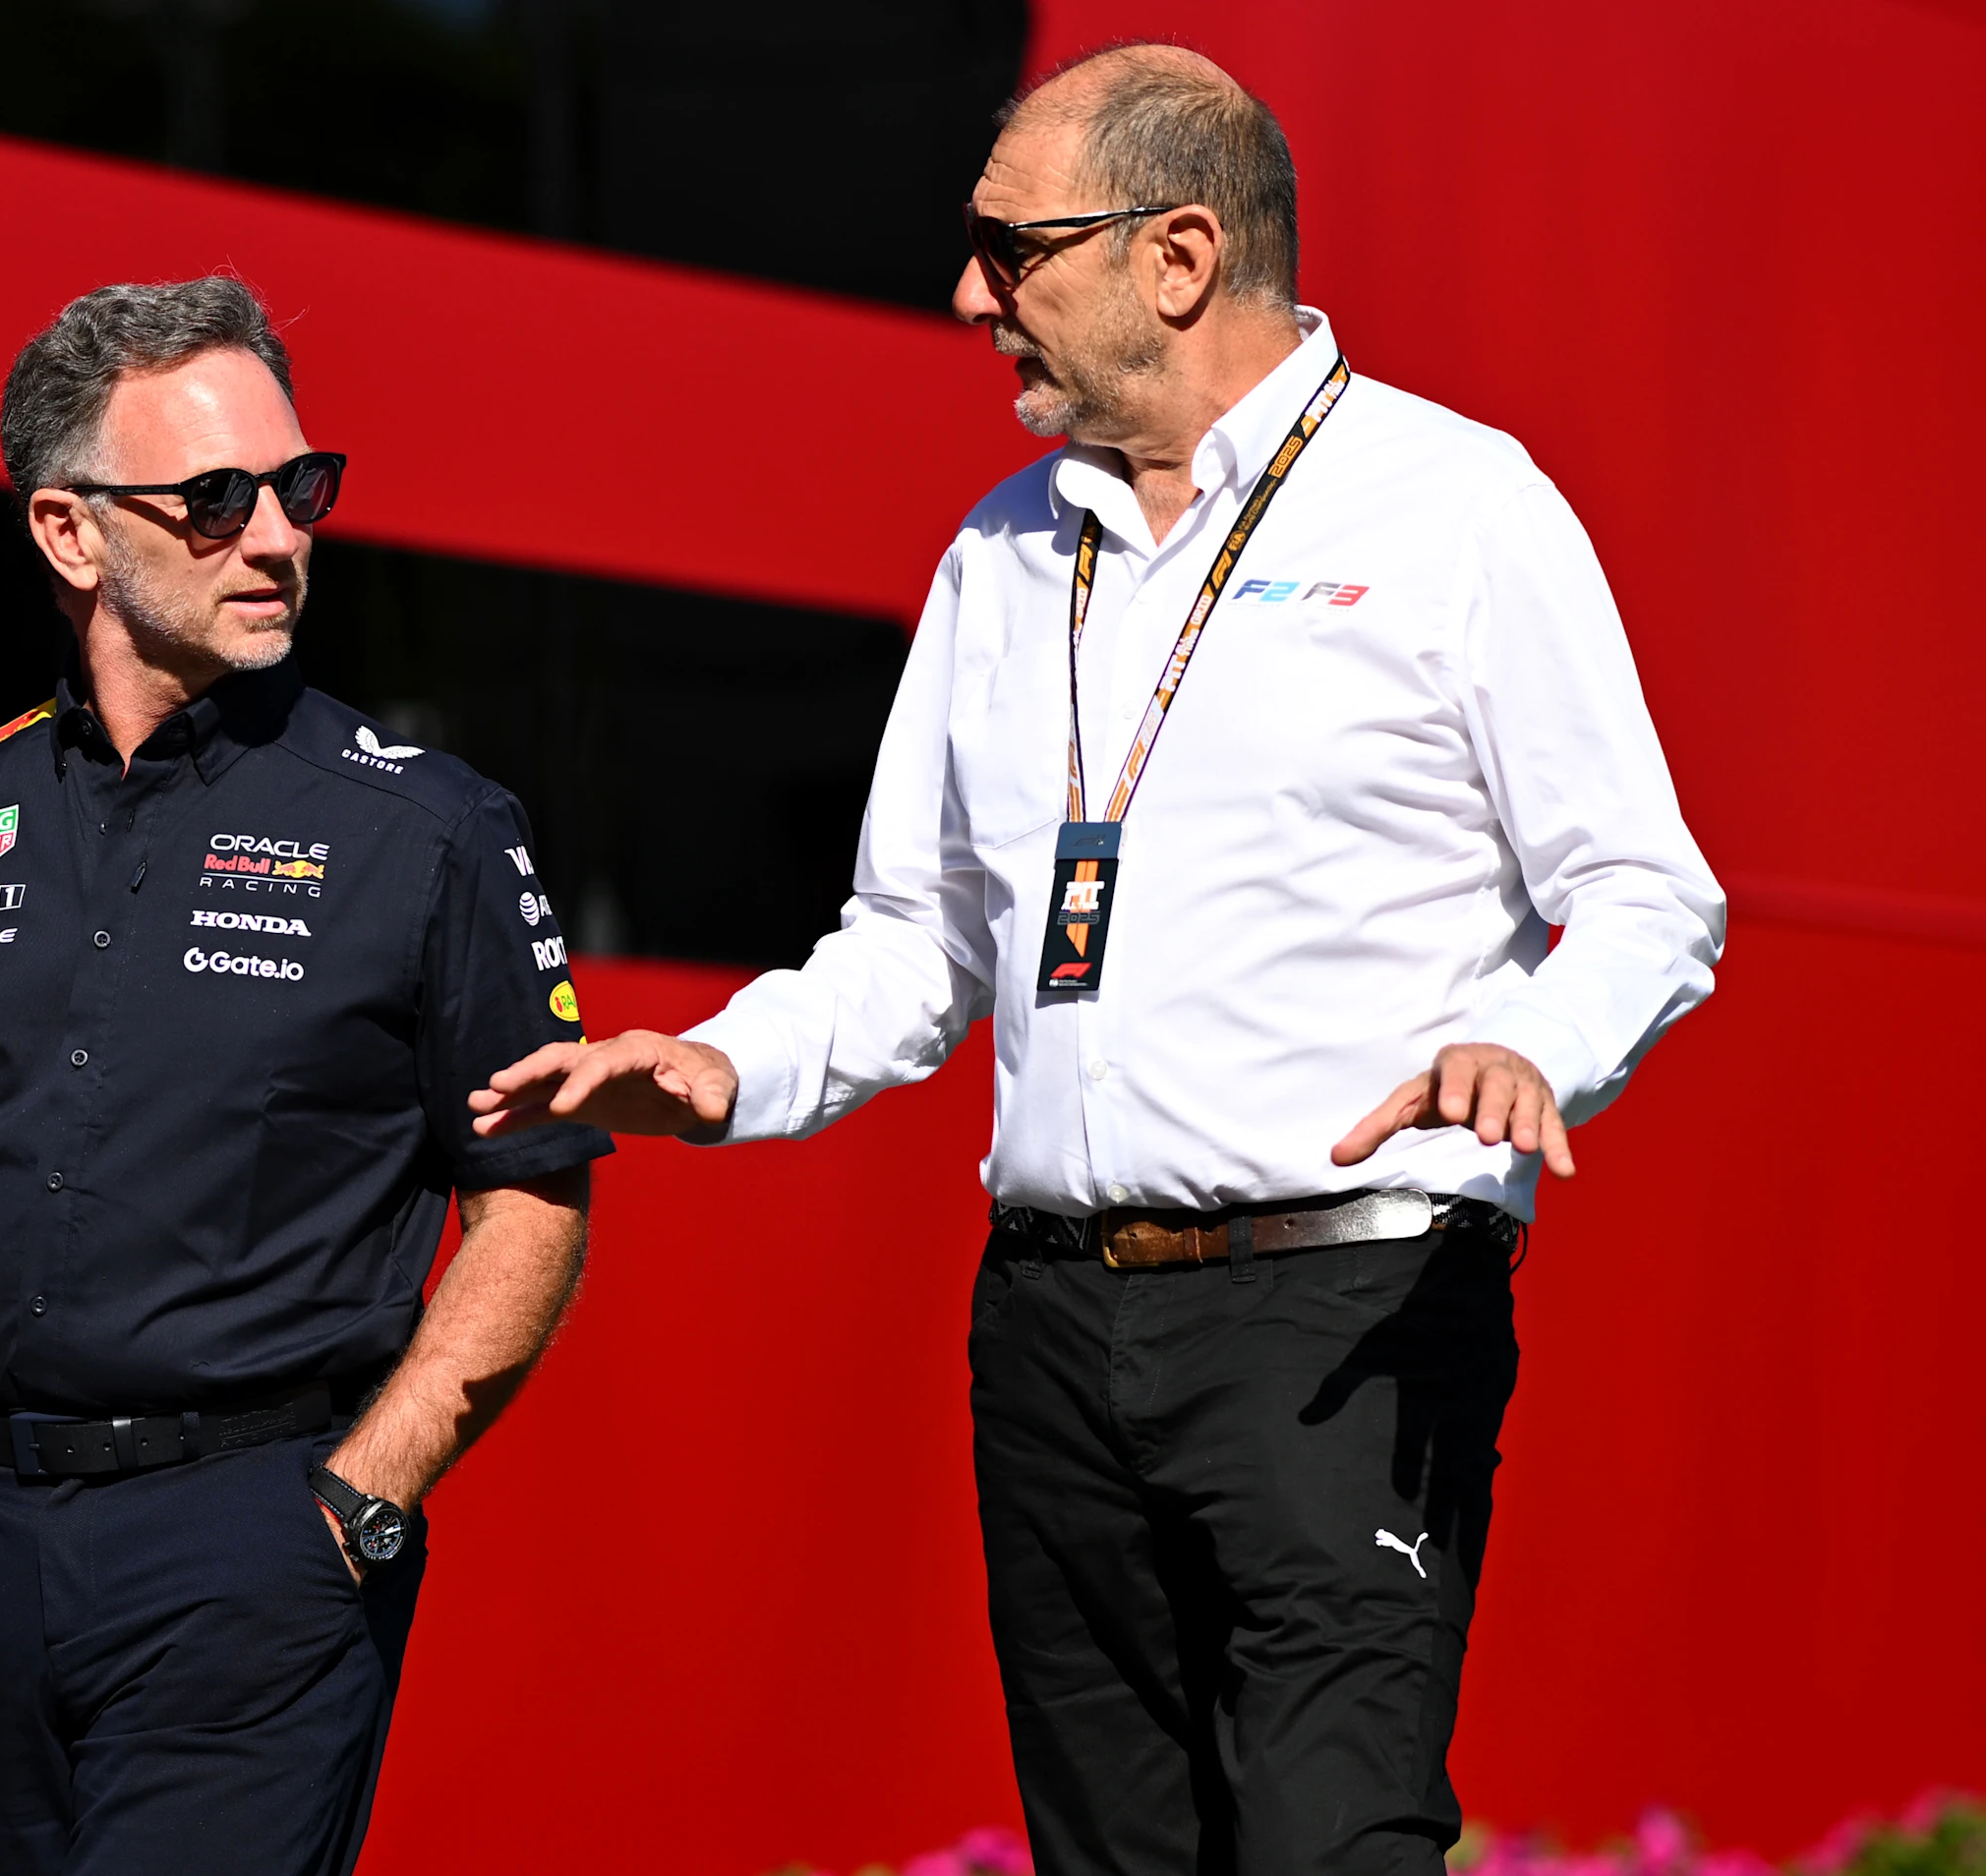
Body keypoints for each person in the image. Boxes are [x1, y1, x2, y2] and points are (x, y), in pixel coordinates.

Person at [472, 44, 1723, 1876]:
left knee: (1329, 1843)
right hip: (1052, 1322)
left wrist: (1540, 1041)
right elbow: (912, 938)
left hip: (1344, 1314)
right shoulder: (1001, 551)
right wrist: (731, 1067)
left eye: (1012, 246)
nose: (970, 294)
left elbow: (1645, 889)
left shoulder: (1458, 508)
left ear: (1179, 254)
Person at [0, 275, 608, 1876]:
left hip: (252, 1548)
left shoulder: (430, 830)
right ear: (70, 535)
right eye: (213, 500)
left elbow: (534, 1202)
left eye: (301, 487)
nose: (277, 536)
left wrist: (362, 1495)